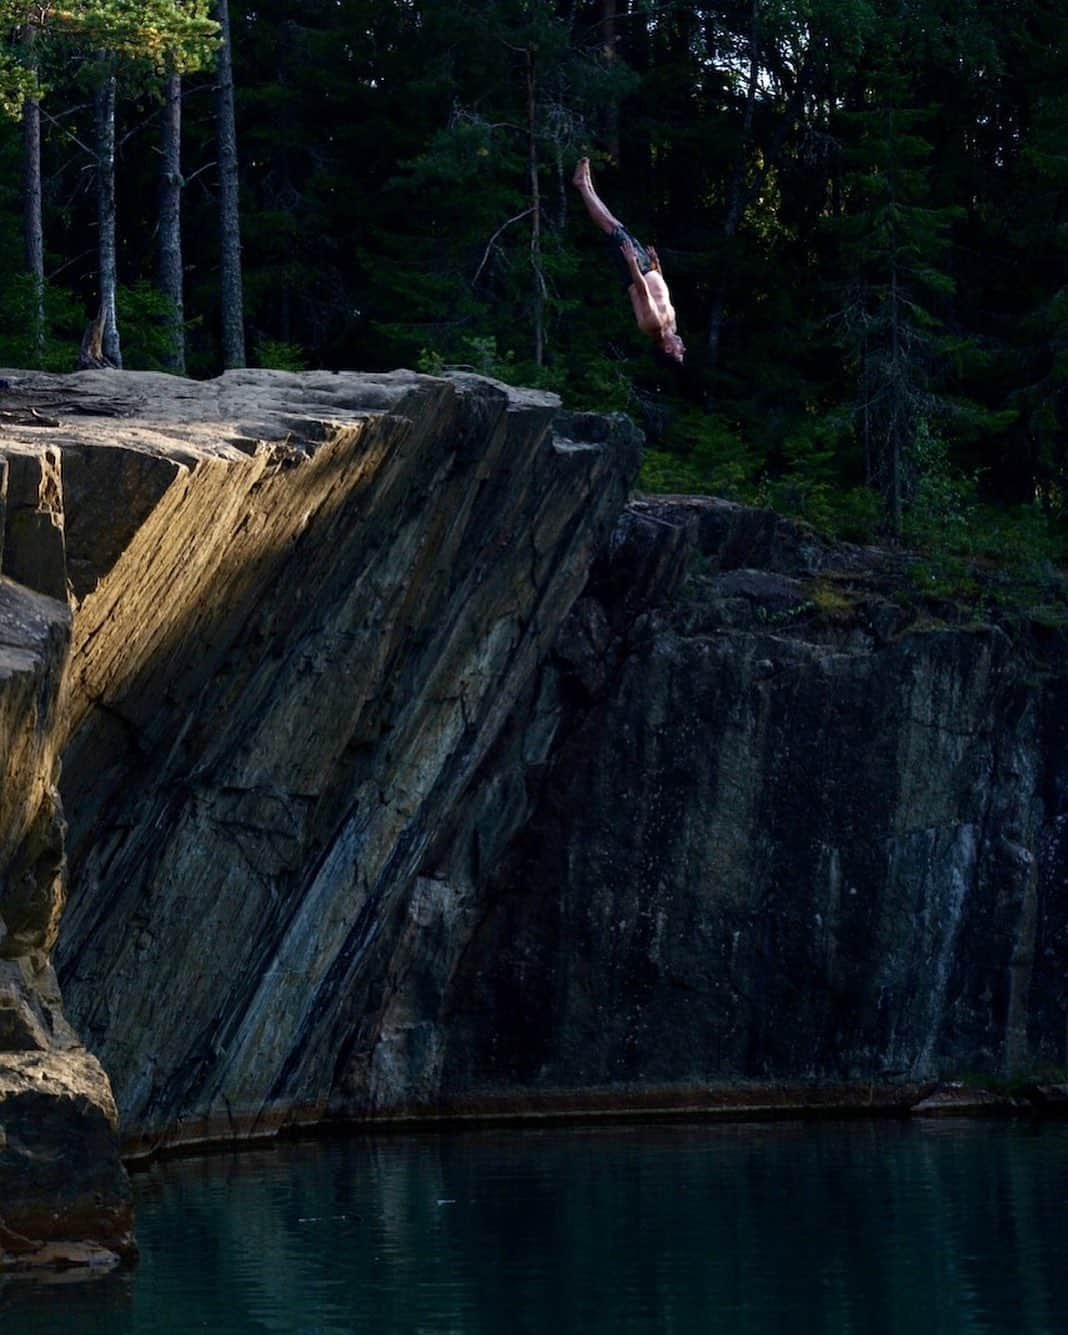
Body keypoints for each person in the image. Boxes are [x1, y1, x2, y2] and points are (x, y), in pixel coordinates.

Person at [571, 157, 685, 364]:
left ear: (668, 349)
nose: (683, 347)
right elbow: (661, 292)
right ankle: (585, 183)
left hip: (634, 270)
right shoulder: (672, 326)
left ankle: (582, 185)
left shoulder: (654, 324)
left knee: (609, 226)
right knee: (615, 224)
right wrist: (655, 265)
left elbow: (643, 291)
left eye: (680, 351)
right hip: (645, 267)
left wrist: (632, 262)